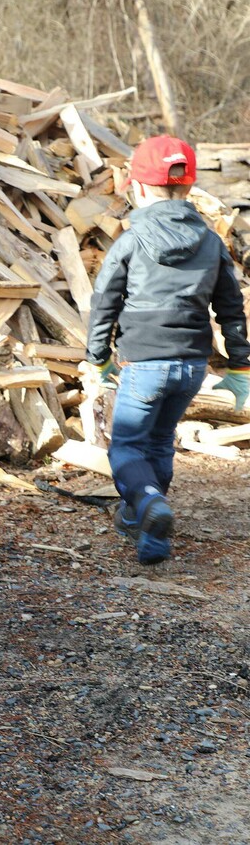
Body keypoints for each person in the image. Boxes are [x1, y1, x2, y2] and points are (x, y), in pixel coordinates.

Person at [86, 135, 250, 566]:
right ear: (189, 186)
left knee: (125, 447)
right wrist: (240, 365)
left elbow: (105, 301)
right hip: (191, 365)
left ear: (138, 188)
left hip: (143, 363)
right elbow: (231, 306)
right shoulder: (211, 241)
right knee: (160, 441)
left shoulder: (132, 239)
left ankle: (148, 501)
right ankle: (147, 530)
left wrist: (98, 356)